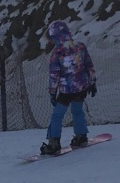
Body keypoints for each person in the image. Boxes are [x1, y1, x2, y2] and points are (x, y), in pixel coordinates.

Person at [41, 20, 97, 155]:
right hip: (82, 86)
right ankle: (81, 136)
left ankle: (54, 143)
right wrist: (93, 82)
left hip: (67, 90)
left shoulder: (57, 52)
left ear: (55, 36)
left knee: (57, 115)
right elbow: (89, 65)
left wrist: (52, 92)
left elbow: (54, 74)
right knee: (77, 111)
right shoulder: (80, 46)